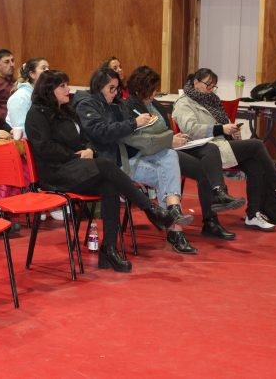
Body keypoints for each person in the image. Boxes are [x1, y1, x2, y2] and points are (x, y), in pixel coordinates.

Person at [25, 70, 177, 272]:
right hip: (56, 173)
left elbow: (86, 137)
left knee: (109, 185)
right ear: (48, 90)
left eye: (67, 84)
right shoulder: (36, 114)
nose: (68, 89)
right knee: (106, 164)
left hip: (77, 168)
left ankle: (109, 249)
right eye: (62, 86)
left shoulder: (67, 110)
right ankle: (149, 208)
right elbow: (43, 148)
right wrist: (77, 156)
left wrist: (89, 149)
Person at [76, 68, 197, 254]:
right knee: (169, 173)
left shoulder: (116, 105)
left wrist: (141, 128)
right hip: (114, 164)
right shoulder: (89, 105)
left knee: (170, 157)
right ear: (99, 86)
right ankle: (175, 229)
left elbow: (129, 134)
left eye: (117, 88)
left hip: (127, 157)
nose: (115, 93)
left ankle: (173, 214)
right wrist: (135, 123)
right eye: (111, 88)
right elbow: (106, 133)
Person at [173, 68, 276, 232]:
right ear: (195, 82)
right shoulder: (183, 103)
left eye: (213, 86)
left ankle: (253, 215)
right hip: (204, 148)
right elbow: (192, 129)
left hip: (222, 144)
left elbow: (224, 127)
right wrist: (221, 129)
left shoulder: (212, 100)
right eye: (208, 85)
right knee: (257, 144)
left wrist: (234, 133)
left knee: (255, 165)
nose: (210, 89)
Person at [123, 66, 244, 241]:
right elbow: (141, 140)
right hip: (151, 154)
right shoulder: (129, 107)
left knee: (206, 163)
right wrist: (169, 140)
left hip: (167, 148)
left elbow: (164, 130)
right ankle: (197, 217)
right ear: (138, 89)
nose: (154, 94)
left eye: (154, 89)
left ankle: (211, 218)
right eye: (150, 90)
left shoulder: (155, 104)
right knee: (197, 164)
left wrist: (174, 137)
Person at [7, 57, 48, 131]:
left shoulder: (44, 93)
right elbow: (21, 130)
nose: (48, 71)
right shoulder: (20, 97)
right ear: (32, 74)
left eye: (48, 68)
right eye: (44, 68)